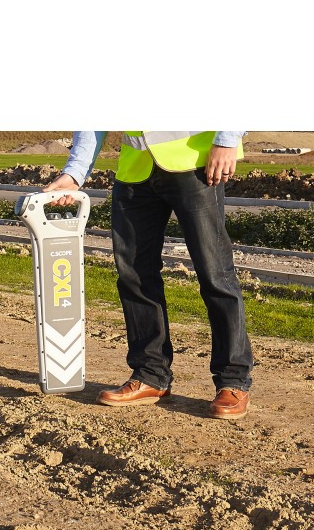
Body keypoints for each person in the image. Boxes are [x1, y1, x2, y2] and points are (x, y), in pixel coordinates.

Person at [43, 131, 254, 420]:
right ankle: (150, 374)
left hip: (195, 162)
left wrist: (227, 140)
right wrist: (75, 172)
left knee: (215, 274)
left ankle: (233, 380)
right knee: (134, 275)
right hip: (135, 171)